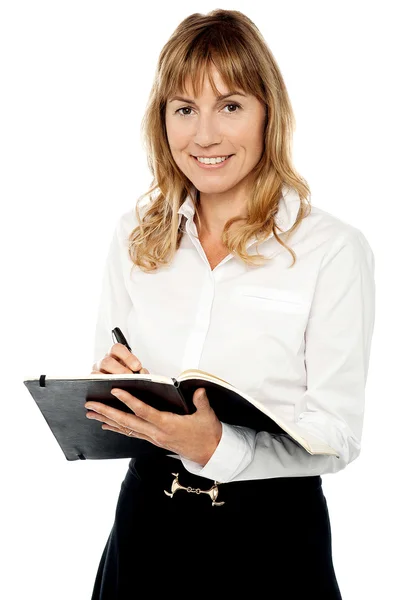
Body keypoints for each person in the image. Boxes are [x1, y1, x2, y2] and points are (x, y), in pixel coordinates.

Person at [86, 9, 375, 599]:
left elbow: (337, 435)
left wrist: (218, 448)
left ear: (269, 114)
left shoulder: (332, 250)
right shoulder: (135, 235)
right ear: (161, 120)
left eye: (231, 106)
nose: (205, 135)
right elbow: (109, 375)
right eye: (184, 109)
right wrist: (115, 390)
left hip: (270, 538)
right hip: (146, 523)